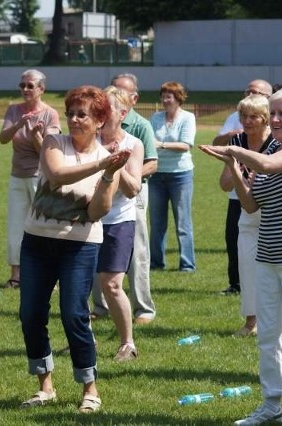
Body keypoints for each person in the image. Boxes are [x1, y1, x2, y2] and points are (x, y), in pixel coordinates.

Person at [200, 85, 282, 426]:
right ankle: (272, 403)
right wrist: (235, 165)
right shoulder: (272, 150)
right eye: (272, 112)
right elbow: (251, 203)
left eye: (281, 113)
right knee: (269, 335)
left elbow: (270, 166)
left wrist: (235, 149)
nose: (274, 119)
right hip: (269, 256)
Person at [18, 85, 130, 412]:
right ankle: (45, 386)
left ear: (99, 120)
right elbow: (56, 176)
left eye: (83, 114)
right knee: (31, 313)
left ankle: (90, 390)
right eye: (71, 113)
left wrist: (109, 174)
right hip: (37, 241)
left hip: (79, 246)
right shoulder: (55, 142)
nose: (74, 120)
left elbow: (96, 213)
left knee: (74, 314)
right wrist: (102, 165)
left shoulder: (108, 158)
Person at [90, 72, 158, 324]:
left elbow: (150, 166)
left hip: (127, 206)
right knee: (95, 267)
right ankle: (100, 306)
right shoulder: (89, 135)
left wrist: (119, 166)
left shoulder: (139, 128)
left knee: (136, 254)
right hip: (93, 210)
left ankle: (143, 308)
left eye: (121, 91)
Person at [0, 69, 61, 289]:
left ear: (41, 89)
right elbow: (3, 138)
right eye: (22, 85)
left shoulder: (50, 114)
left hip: (40, 177)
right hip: (18, 176)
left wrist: (37, 136)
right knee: (16, 226)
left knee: (44, 225)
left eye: (30, 86)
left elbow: (49, 150)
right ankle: (16, 275)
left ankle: (50, 275)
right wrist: (18, 124)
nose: (25, 89)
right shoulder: (14, 110)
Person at [217, 94, 273, 337]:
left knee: (272, 271)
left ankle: (272, 321)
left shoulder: (276, 142)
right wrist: (233, 163)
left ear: (265, 119)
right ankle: (251, 322)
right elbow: (225, 185)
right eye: (243, 116)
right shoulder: (237, 140)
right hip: (246, 214)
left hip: (274, 215)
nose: (247, 121)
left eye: (254, 117)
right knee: (247, 267)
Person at [95, 86, 144, 361]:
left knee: (112, 285)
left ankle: (127, 344)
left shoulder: (133, 144)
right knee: (76, 284)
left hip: (117, 221)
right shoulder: (88, 139)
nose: (101, 113)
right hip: (87, 218)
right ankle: (82, 338)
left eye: (108, 108)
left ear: (123, 113)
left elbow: (133, 189)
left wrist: (118, 164)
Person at [149, 81, 197, 272]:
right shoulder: (156, 117)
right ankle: (156, 263)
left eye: (169, 96)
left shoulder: (188, 117)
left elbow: (186, 145)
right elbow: (148, 140)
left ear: (178, 98)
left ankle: (187, 264)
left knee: (183, 223)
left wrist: (160, 145)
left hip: (180, 175)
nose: (165, 100)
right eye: (163, 96)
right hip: (156, 174)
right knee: (157, 223)